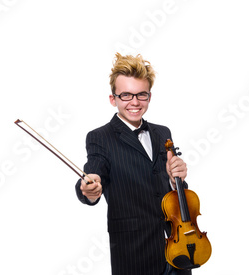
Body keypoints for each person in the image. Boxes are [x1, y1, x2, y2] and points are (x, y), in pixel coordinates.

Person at [75, 53, 190, 275]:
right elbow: (94, 169)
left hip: (179, 249)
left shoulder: (162, 132)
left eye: (141, 95)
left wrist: (176, 179)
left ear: (149, 96)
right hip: (134, 254)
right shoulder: (100, 137)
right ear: (113, 98)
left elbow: (175, 195)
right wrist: (90, 188)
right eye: (126, 95)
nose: (135, 102)